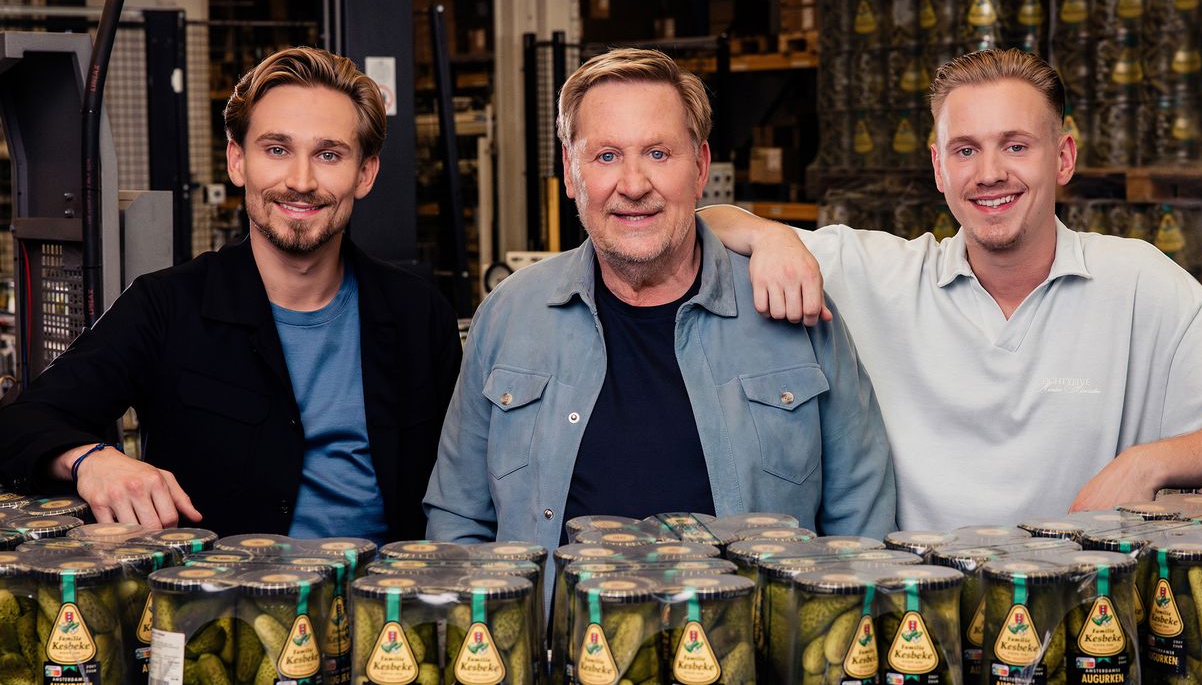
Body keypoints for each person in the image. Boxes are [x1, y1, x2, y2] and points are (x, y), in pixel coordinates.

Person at [699, 47, 1202, 529]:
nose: (989, 173)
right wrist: (772, 237)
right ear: (939, 168)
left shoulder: (1136, 281)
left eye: (1016, 146)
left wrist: (1147, 462)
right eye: (965, 150)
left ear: (1063, 157)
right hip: (922, 624)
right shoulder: (880, 275)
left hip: (1084, 624)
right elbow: (695, 222)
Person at [424, 48, 895, 550]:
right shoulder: (509, 316)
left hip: (752, 606)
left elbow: (861, 516)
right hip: (554, 605)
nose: (633, 185)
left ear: (701, 167)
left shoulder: (793, 308)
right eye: (606, 156)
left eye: (658, 153)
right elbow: (459, 518)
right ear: (570, 171)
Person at [0, 47, 462, 541]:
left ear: (365, 173)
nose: (301, 181)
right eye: (277, 149)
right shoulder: (166, 307)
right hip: (219, 589)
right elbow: (20, 423)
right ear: (237, 161)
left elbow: (465, 480)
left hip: (386, 588)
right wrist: (92, 460)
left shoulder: (418, 314)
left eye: (328, 154)